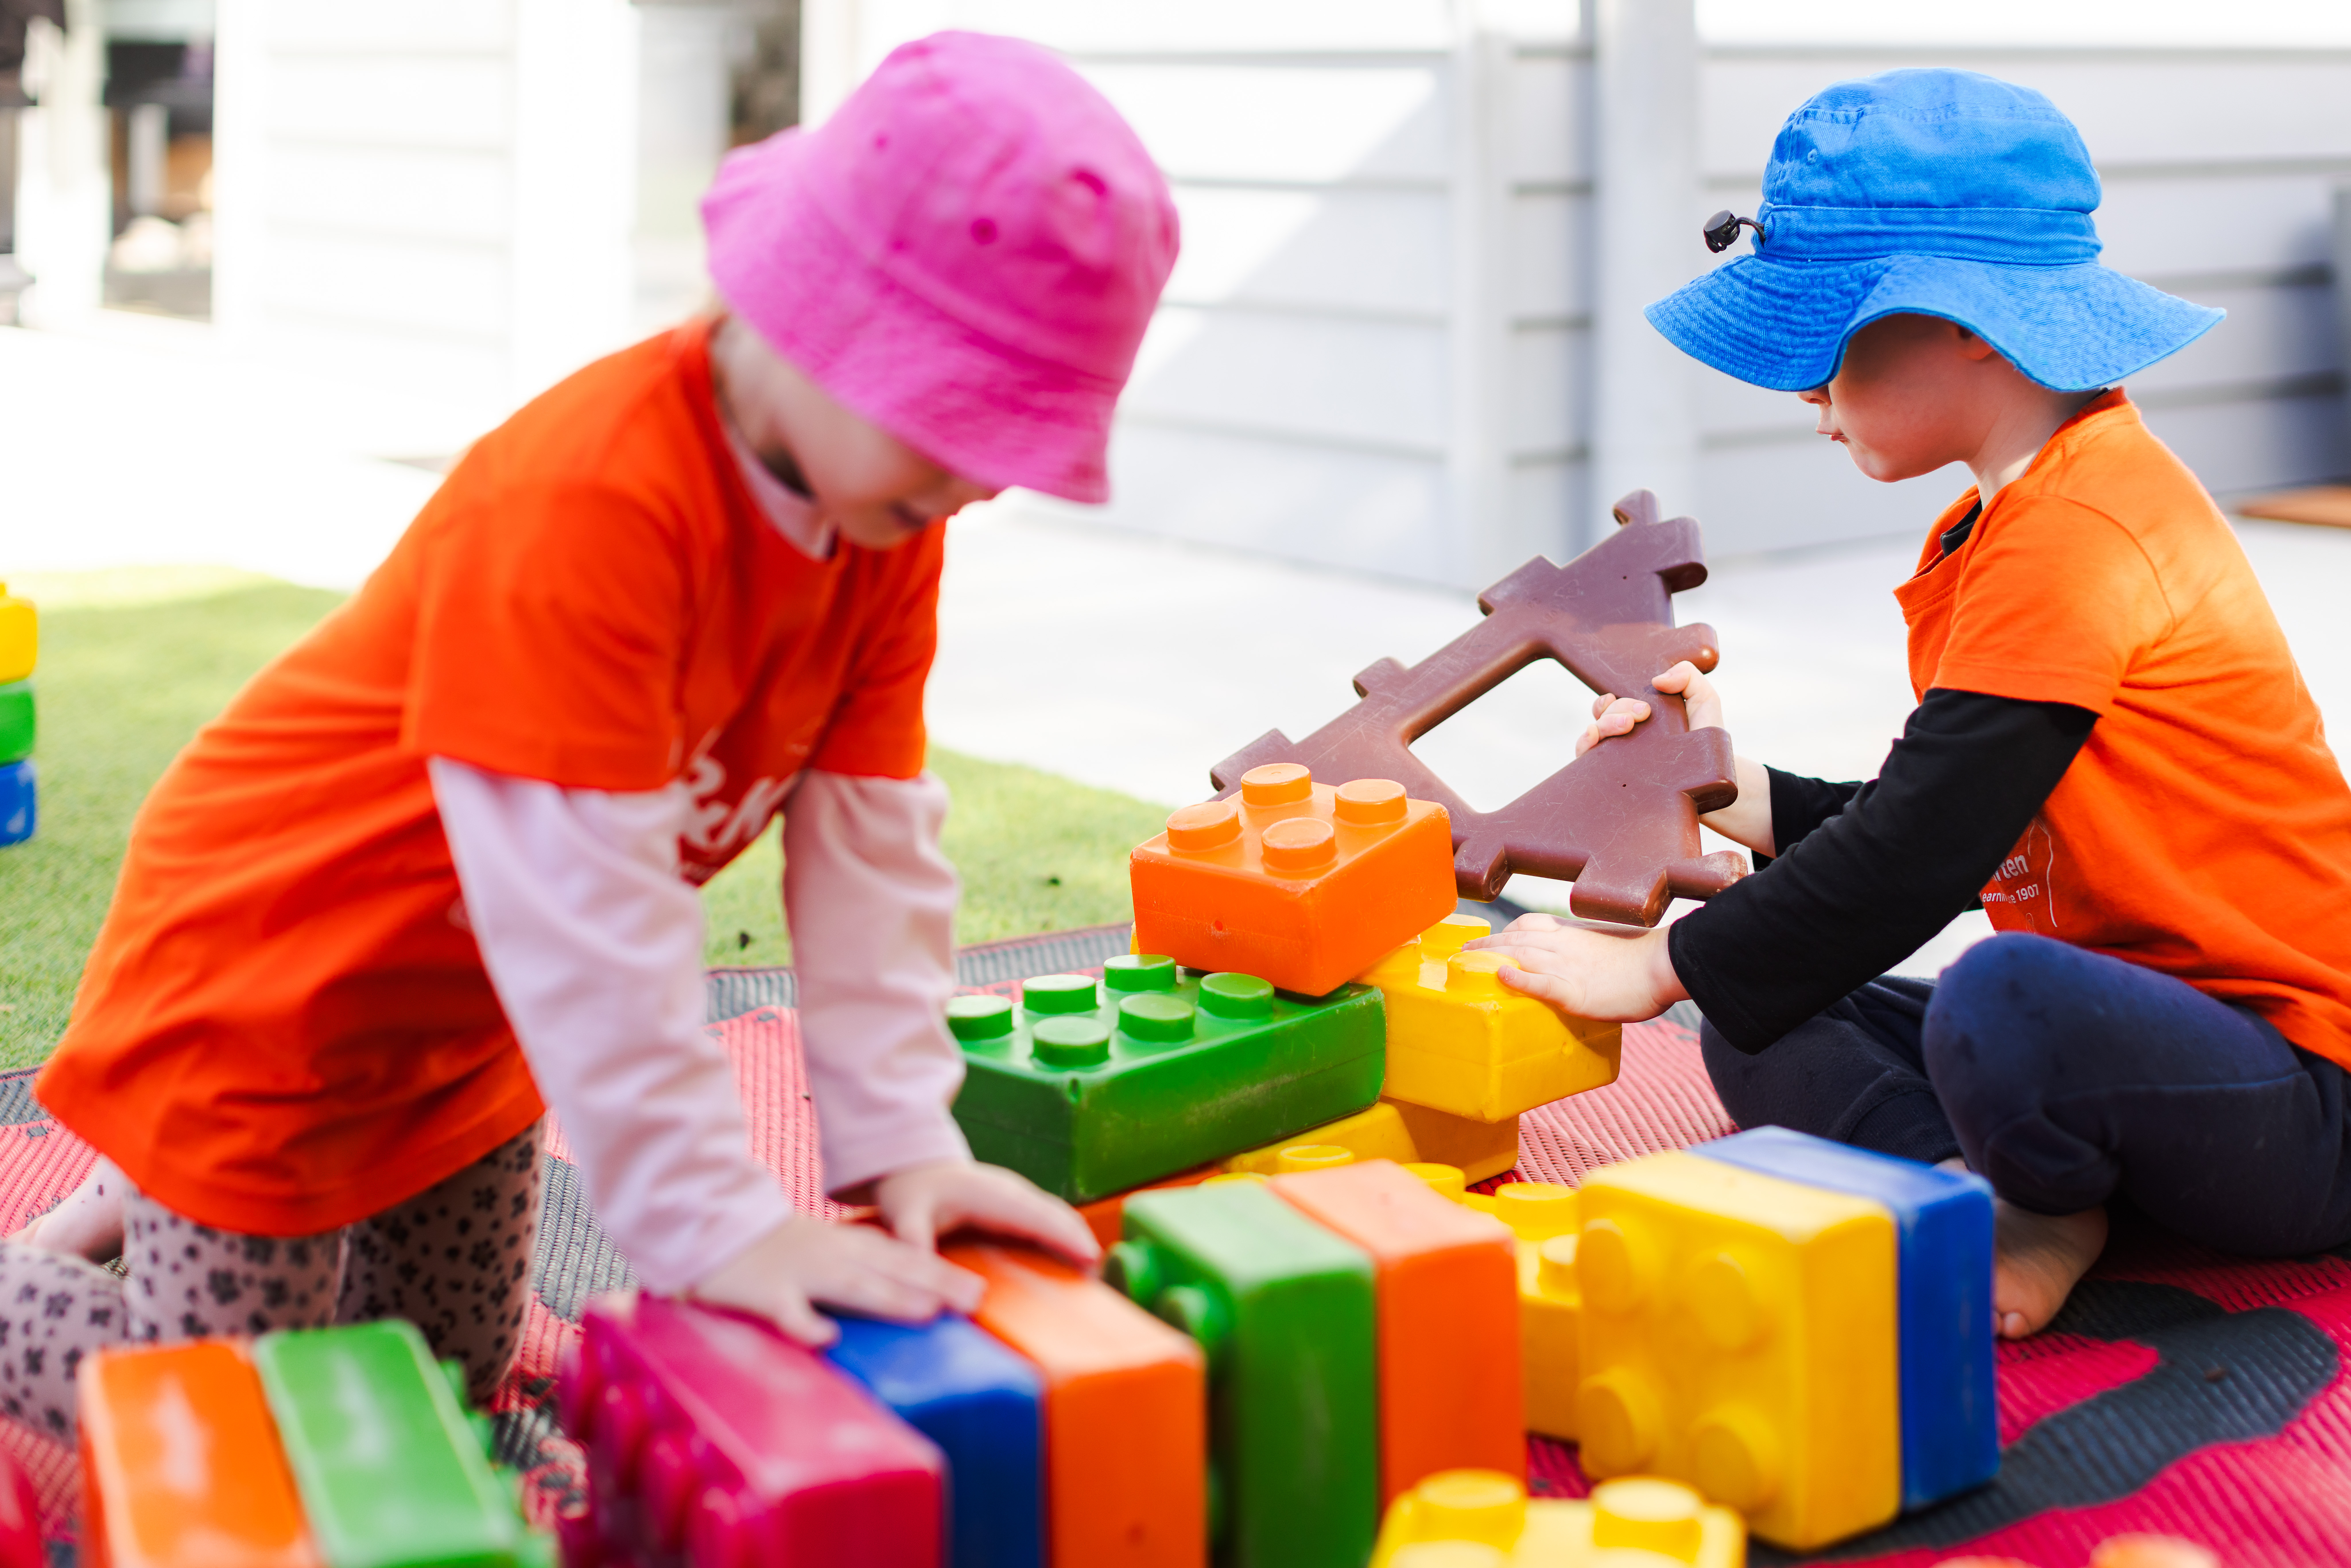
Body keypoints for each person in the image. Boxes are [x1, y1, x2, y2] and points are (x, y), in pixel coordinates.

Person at [1, 30, 1178, 1438]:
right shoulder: (595, 504)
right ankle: (163, 1182)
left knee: (443, 1385)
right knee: (256, 1430)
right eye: (950, 423)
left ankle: (160, 1203)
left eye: (1008, 441)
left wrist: (904, 1144)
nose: (980, 478)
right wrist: (720, 1229)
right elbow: (588, 921)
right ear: (813, 316)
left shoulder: (888, 527)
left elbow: (871, 853)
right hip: (272, 989)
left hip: (474, 1010)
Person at [1475, 69, 2351, 1339]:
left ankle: (2037, 1195)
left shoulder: (2083, 533)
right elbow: (1954, 814)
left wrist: (1653, 966)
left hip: (2292, 1092)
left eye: (1825, 343)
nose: (1801, 394)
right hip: (2129, 1041)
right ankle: (1972, 1182)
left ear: (1970, 326)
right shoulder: (2008, 516)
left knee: (1998, 996)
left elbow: (1926, 844)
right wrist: (1733, 796)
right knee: (1766, 999)